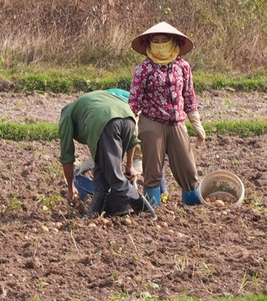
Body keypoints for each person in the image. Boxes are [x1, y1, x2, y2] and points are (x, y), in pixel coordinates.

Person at [129, 22, 205, 207]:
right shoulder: (144, 69)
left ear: (173, 42)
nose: (161, 44)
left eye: (165, 40)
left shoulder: (183, 66)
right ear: (149, 44)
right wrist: (132, 125)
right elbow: (134, 100)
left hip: (177, 122)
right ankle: (152, 209)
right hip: (151, 122)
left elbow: (188, 95)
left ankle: (192, 206)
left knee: (187, 168)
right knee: (152, 169)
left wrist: (196, 123)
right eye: (156, 41)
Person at [59, 89, 150, 217]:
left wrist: (70, 188)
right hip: (129, 118)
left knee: (115, 177)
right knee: (101, 173)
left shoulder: (66, 116)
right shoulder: (88, 103)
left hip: (107, 122)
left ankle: (146, 212)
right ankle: (93, 214)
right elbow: (132, 141)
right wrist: (129, 165)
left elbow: (67, 157)